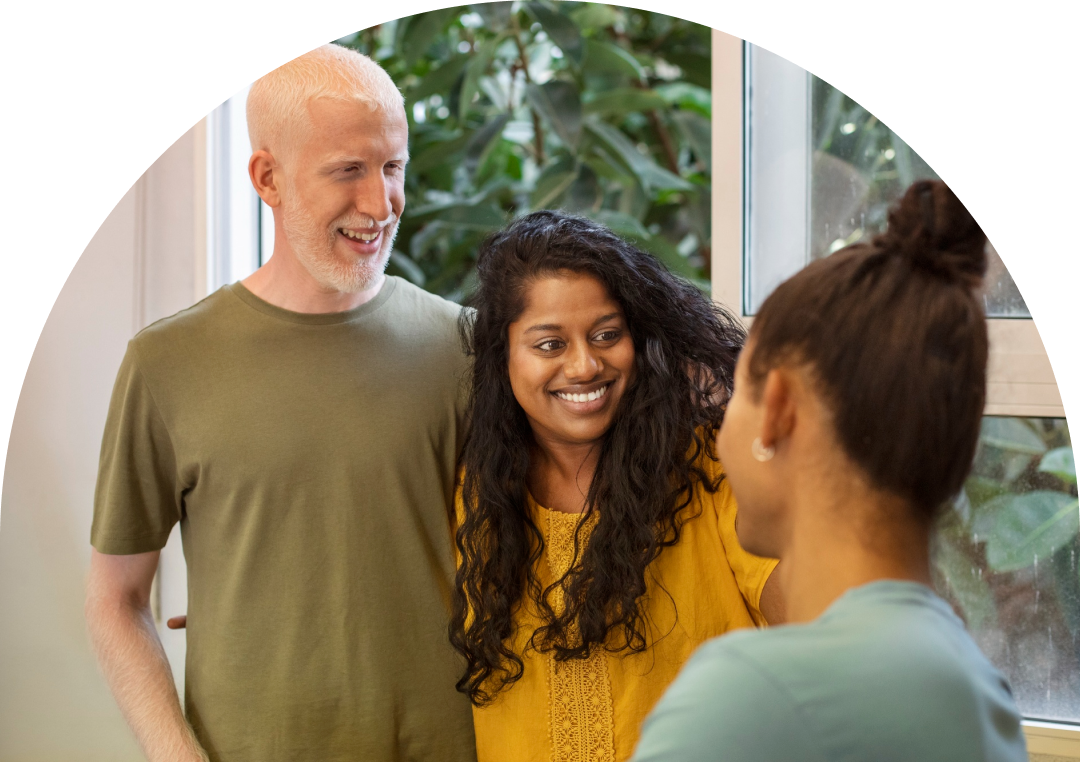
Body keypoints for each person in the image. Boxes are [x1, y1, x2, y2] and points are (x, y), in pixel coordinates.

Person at [85, 44, 476, 762]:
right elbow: (115, 599)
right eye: (347, 171)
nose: (378, 204)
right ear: (267, 177)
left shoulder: (461, 345)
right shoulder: (166, 362)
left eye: (392, 168)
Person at [633, 180, 1028, 761]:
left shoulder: (749, 698)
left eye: (737, 390)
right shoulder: (978, 690)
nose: (718, 430)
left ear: (779, 412)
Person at [450, 211, 783, 762]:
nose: (584, 366)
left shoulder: (710, 470)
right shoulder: (476, 494)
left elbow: (822, 628)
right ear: (502, 356)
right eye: (549, 345)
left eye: (607, 335)